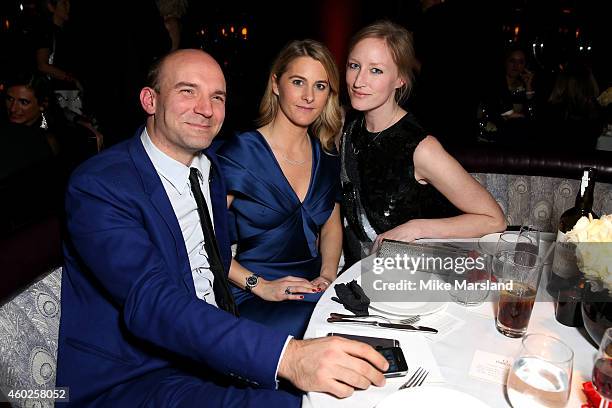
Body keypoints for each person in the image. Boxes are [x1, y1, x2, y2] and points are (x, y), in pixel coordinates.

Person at [56, 48, 388, 406]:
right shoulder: (101, 185)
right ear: (150, 100)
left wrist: (264, 290)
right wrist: (287, 357)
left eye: (217, 96)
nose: (206, 108)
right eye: (188, 91)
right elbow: (151, 302)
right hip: (142, 374)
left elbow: (214, 257)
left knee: (363, 374)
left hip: (215, 344)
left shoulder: (209, 168)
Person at [340, 20, 506, 267]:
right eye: (354, 66)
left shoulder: (421, 148)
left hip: (409, 281)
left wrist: (415, 228)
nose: (358, 81)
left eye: (376, 70)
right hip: (357, 273)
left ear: (400, 80)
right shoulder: (349, 127)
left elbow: (494, 220)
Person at [217, 40, 342, 338]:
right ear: (276, 84)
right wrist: (259, 285)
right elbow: (202, 240)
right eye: (298, 82)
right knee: (324, 336)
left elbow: (332, 225)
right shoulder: (241, 152)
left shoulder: (326, 155)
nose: (309, 96)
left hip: (312, 288)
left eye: (321, 86)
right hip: (253, 293)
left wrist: (327, 274)